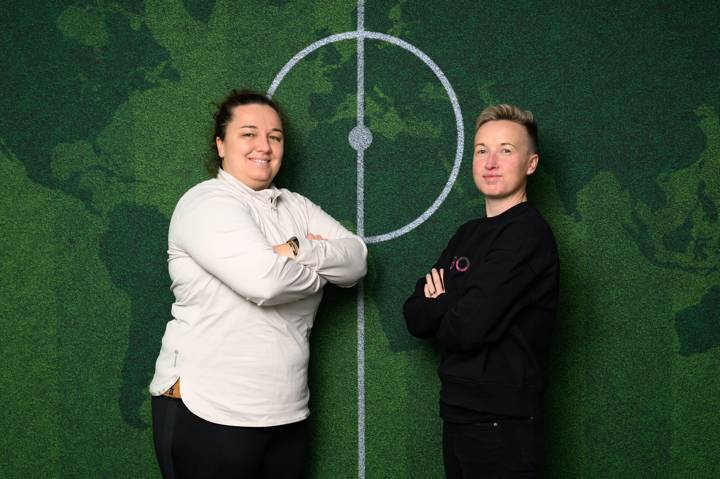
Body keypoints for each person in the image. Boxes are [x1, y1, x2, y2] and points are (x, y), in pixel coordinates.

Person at [148, 89, 368, 479]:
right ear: (221, 144)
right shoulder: (206, 203)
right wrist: (319, 271)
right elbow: (265, 283)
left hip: (286, 410)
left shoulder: (294, 206)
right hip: (210, 407)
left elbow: (356, 260)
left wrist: (295, 250)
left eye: (275, 136)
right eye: (248, 134)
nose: (263, 147)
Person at [403, 104, 559, 478]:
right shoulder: (467, 234)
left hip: (502, 424)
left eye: (506, 150)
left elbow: (467, 327)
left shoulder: (527, 234)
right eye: (481, 150)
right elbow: (414, 314)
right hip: (458, 415)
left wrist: (443, 299)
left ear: (531, 164)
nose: (491, 161)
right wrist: (452, 304)